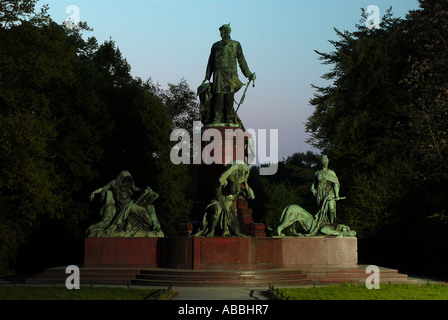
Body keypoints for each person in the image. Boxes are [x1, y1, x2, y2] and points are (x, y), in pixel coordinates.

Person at [203, 24, 256, 124]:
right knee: (217, 97)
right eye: (221, 31)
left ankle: (228, 119)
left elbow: (242, 61)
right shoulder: (215, 45)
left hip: (231, 76)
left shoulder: (236, 44)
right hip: (218, 75)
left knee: (228, 98)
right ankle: (217, 119)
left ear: (227, 32)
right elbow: (210, 62)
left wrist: (248, 74)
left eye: (222, 31)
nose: (221, 33)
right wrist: (207, 76)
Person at [87, 170, 163, 237]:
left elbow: (137, 189)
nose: (126, 182)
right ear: (121, 179)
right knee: (142, 210)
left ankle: (156, 226)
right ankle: (152, 226)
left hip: (131, 202)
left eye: (128, 180)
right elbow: (103, 188)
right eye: (125, 180)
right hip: (123, 206)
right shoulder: (114, 183)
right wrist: (94, 192)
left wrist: (145, 189)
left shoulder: (129, 184)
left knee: (150, 206)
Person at [308, 155, 342, 236]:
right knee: (322, 210)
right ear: (322, 163)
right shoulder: (318, 173)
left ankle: (332, 225)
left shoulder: (331, 172)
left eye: (326, 162)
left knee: (331, 209)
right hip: (320, 194)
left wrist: (337, 195)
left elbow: (336, 184)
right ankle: (323, 225)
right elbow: (314, 183)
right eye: (323, 162)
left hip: (329, 193)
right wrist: (312, 189)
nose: (325, 163)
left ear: (328, 162)